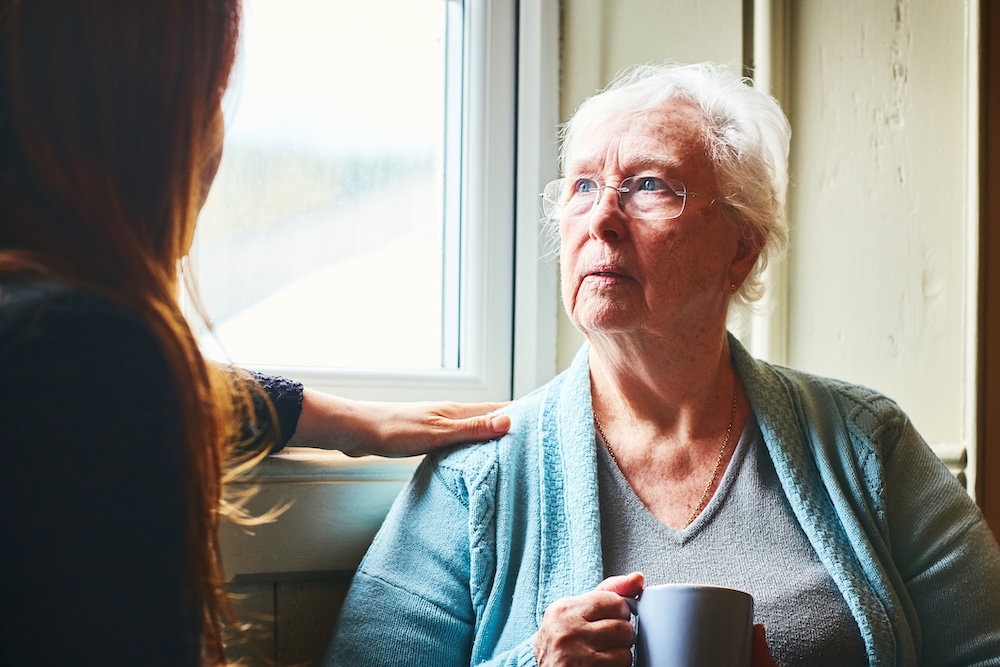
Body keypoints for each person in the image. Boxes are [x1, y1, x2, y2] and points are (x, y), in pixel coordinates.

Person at [327, 61, 1000, 666]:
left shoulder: (864, 443)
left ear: (740, 248)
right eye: (583, 186)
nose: (602, 219)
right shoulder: (476, 476)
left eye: (648, 185)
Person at [0, 2, 508, 665]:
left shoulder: (45, 330)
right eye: (209, 98)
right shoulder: (86, 347)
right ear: (140, 123)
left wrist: (348, 420)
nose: (216, 137)